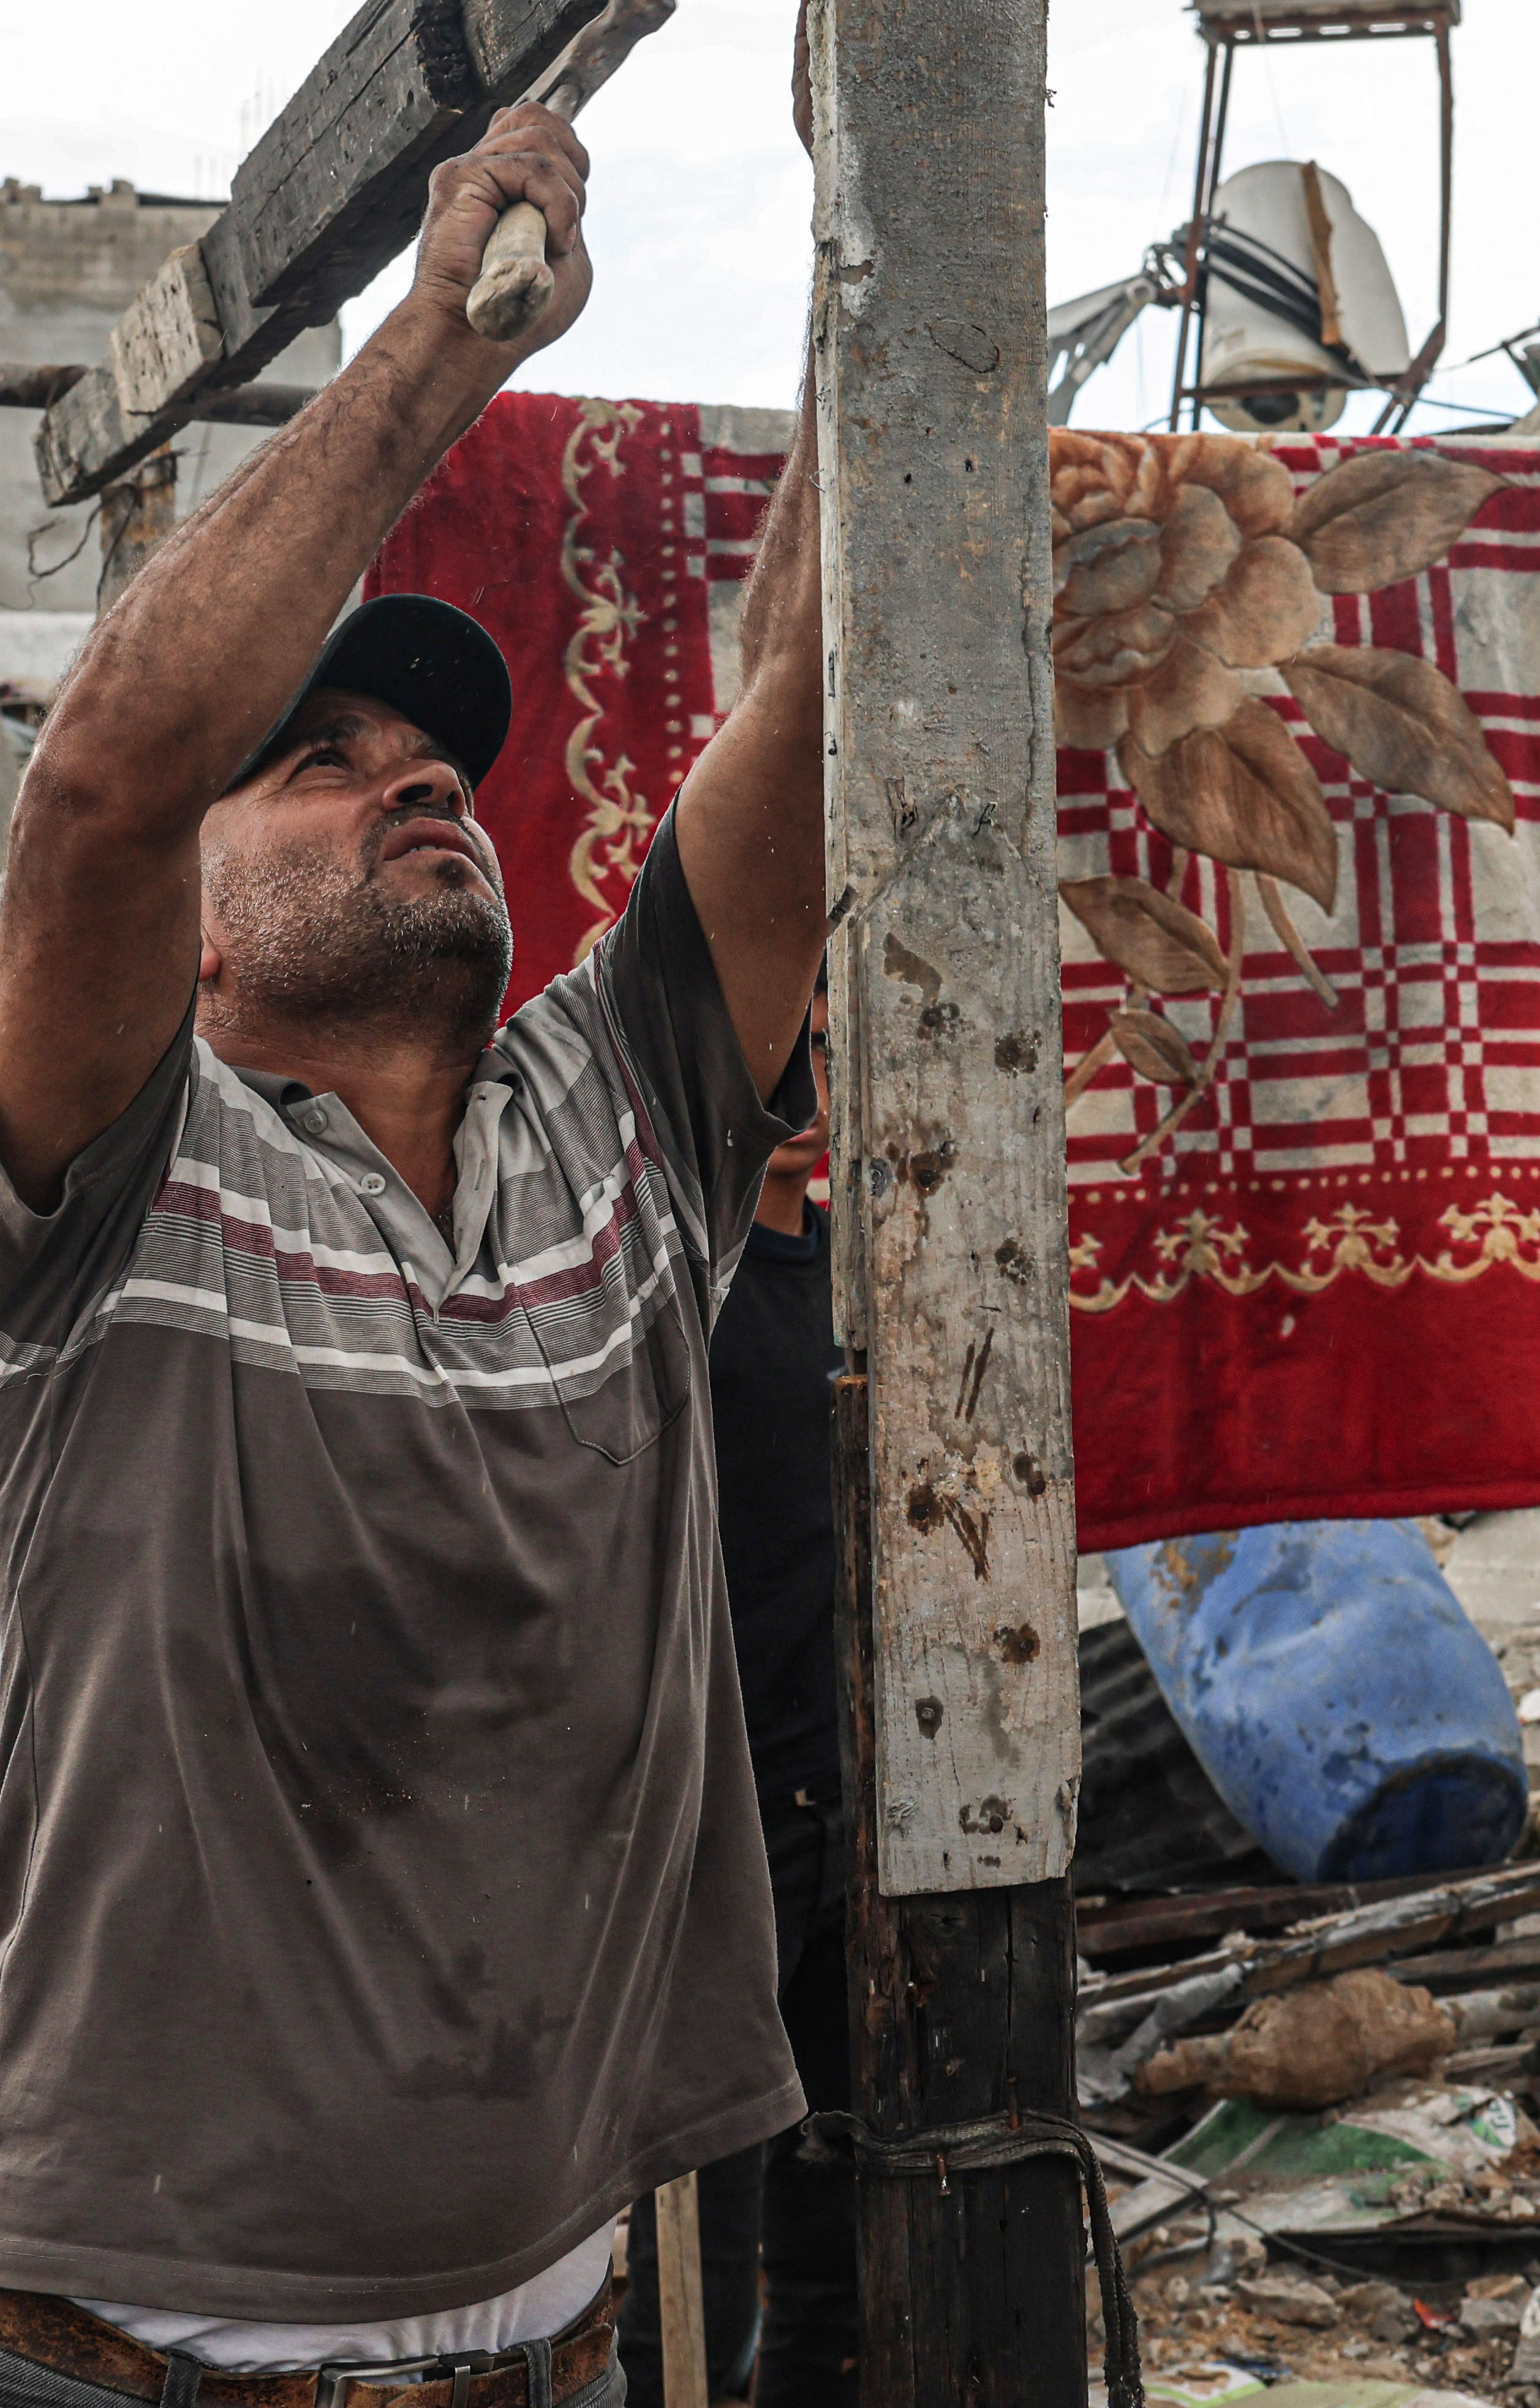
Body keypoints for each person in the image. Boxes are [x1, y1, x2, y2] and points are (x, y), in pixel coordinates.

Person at [0, 97, 828, 2408]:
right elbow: (107, 775)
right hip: (101, 2364)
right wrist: (442, 337)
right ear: (190, 930)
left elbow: (823, 701)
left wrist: (870, 213)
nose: (416, 776)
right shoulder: (107, 1183)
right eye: (321, 757)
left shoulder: (618, 1133)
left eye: (437, 760)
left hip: (549, 2354)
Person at [625, 998, 856, 2408]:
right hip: (715, 1826)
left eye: (823, 1049)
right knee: (695, 2245)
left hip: (849, 1815)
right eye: (778, 1048)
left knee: (840, 2215)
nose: (804, 1086)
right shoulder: (672, 1302)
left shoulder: (863, 1280)